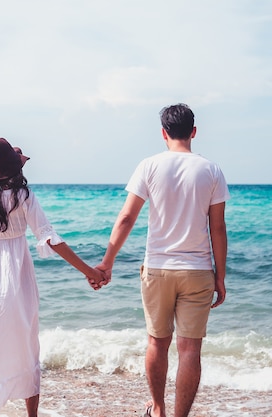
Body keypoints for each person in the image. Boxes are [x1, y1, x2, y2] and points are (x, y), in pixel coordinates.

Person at [0, 137, 105, 417]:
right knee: (28, 347)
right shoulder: (23, 196)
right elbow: (50, 238)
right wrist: (89, 271)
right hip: (19, 277)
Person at [96, 103, 229, 417]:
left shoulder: (149, 166)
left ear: (163, 133)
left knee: (157, 342)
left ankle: (157, 409)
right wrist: (220, 277)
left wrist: (107, 261)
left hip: (157, 269)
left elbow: (127, 217)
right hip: (198, 271)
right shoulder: (211, 170)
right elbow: (218, 228)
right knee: (190, 348)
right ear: (194, 132)